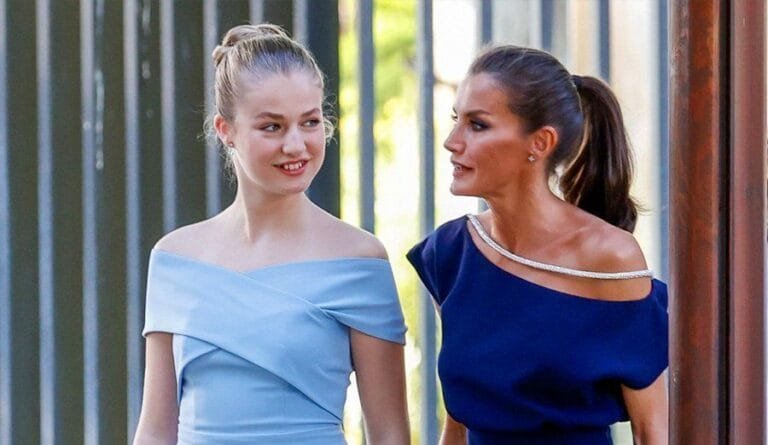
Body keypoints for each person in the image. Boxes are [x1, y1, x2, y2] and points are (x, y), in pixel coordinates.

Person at [133, 24, 410, 445]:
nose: (296, 145)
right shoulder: (174, 259)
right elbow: (154, 431)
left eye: (310, 121)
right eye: (272, 127)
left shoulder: (360, 260)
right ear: (226, 130)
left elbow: (390, 435)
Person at [407, 45, 668, 445]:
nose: (451, 141)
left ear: (540, 143)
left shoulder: (610, 256)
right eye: (456, 120)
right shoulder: (452, 253)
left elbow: (653, 430)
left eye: (477, 125)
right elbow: (458, 421)